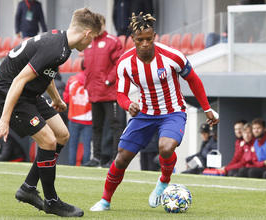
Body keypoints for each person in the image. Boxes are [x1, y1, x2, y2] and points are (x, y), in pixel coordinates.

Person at [89, 12, 219, 212]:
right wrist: (127, 105)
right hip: (144, 114)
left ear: (154, 36)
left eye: (149, 39)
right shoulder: (124, 63)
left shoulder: (172, 56)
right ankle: (105, 201)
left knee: (165, 147)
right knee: (121, 158)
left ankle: (164, 181)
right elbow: (121, 94)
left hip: (173, 112)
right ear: (132, 39)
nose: (145, 44)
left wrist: (207, 108)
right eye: (140, 40)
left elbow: (193, 79)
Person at [0, 7, 101, 217]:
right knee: (48, 141)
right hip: (10, 93)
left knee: (62, 134)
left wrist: (56, 98)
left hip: (29, 94)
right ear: (87, 33)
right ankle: (51, 201)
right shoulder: (55, 47)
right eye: (92, 38)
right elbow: (19, 80)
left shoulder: (62, 44)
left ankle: (29, 188)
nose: (90, 44)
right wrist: (4, 120)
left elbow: (44, 72)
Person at [83, 14, 124, 168]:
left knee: (115, 126)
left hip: (109, 92)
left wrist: (108, 80)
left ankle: (116, 158)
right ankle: (97, 158)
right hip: (94, 93)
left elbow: (118, 64)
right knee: (96, 126)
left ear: (104, 25)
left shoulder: (113, 42)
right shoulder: (88, 43)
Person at [63, 63, 93, 166]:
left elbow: (66, 98)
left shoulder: (72, 80)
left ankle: (71, 166)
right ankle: (86, 166)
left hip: (74, 118)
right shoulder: (93, 80)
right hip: (89, 119)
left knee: (72, 145)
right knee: (87, 145)